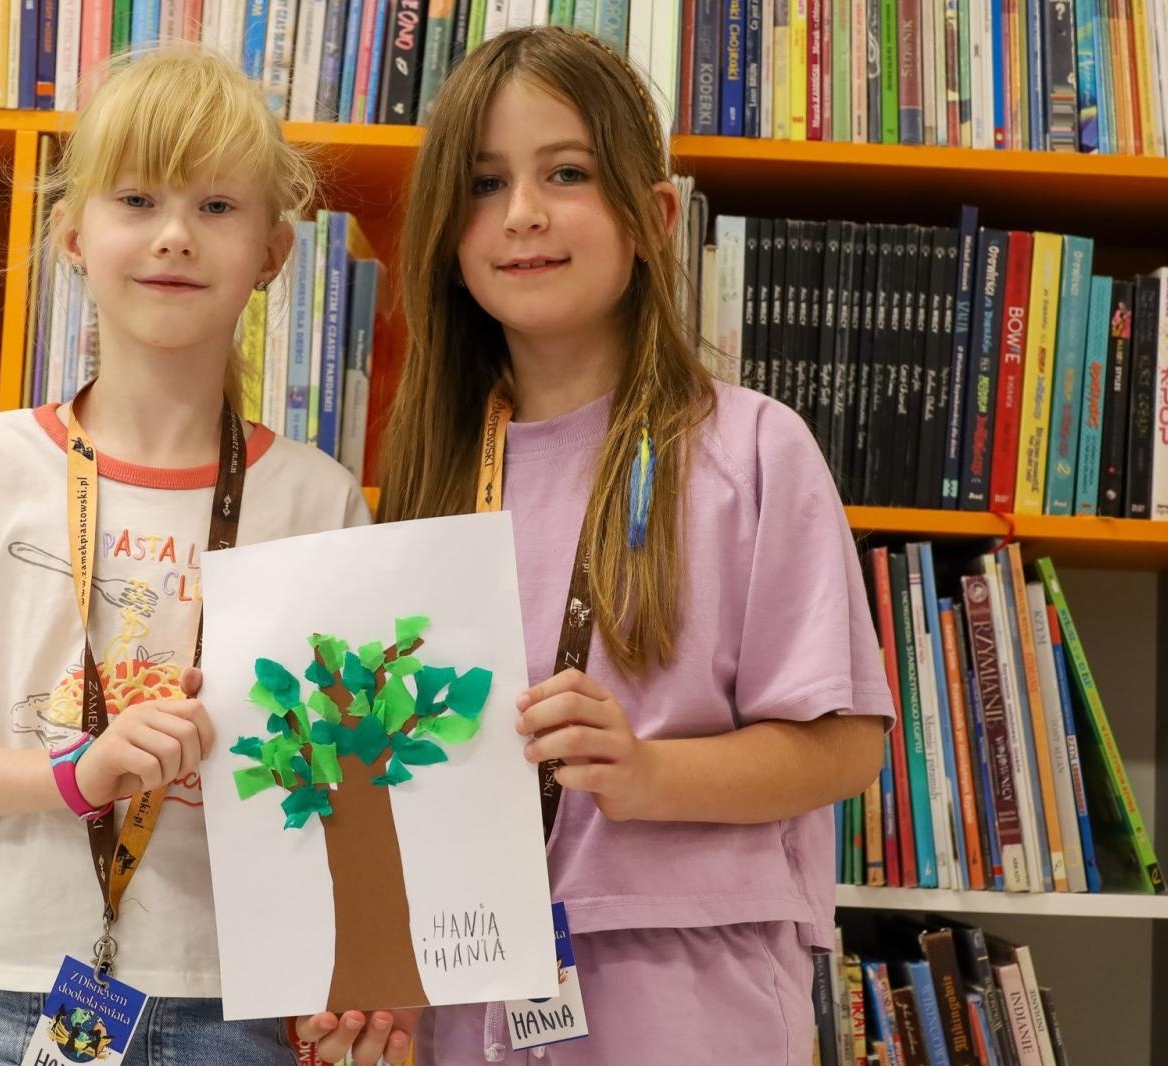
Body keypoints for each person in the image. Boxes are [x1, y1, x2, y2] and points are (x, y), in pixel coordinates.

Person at [305, 26, 893, 1065]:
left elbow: (844, 745)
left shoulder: (750, 447)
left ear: (654, 214)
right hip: (470, 990)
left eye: (565, 172)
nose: (522, 213)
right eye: (483, 184)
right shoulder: (430, 482)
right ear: (446, 234)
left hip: (688, 985)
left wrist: (647, 774)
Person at [0, 45, 368, 1065]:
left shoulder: (315, 497)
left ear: (273, 252)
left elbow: (348, 790)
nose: (174, 235)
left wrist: (367, 972)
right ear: (73, 234)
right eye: (136, 198)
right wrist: (80, 773)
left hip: (236, 1004)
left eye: (217, 206)